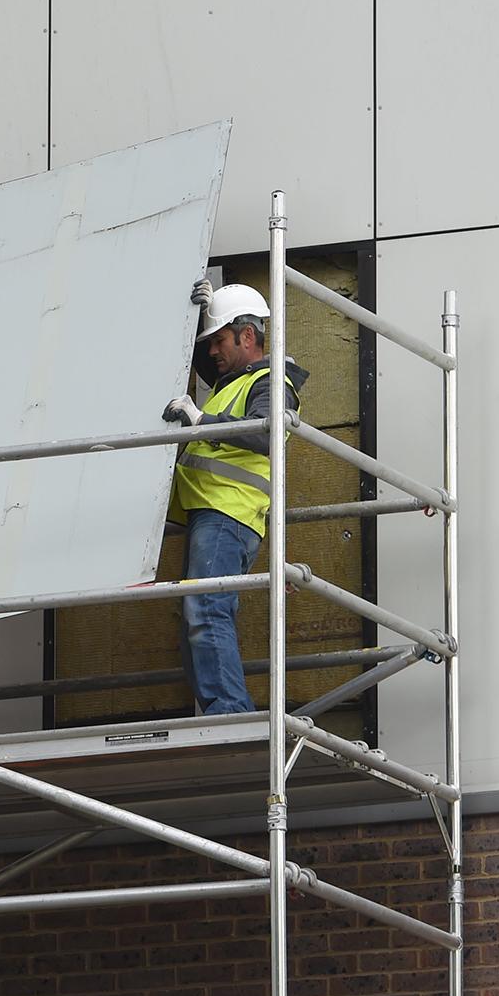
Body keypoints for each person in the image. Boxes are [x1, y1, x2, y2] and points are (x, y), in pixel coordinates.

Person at [160, 279, 307, 715]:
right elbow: (209, 371)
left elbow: (266, 434)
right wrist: (202, 316)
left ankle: (229, 713)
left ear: (248, 335)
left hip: (228, 513)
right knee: (197, 614)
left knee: (206, 609)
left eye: (220, 340)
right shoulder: (235, 381)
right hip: (213, 513)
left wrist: (201, 418)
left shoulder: (272, 381)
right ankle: (217, 711)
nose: (213, 353)